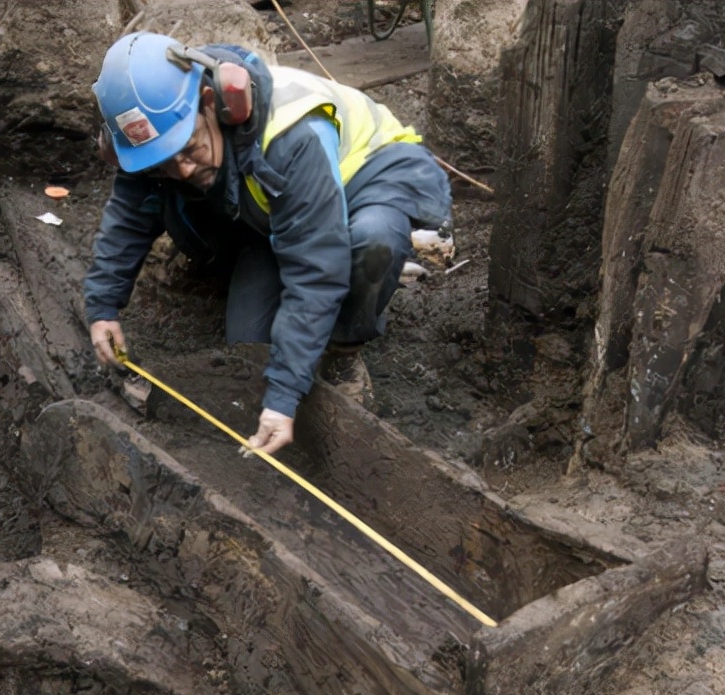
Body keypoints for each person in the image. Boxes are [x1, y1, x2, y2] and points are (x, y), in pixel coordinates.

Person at [84, 31, 451, 456]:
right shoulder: (155, 137)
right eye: (164, 162)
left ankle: (346, 348)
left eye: (189, 149)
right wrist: (103, 307)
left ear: (212, 102)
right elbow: (130, 214)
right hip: (280, 212)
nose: (181, 170)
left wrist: (282, 398)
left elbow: (316, 268)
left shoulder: (291, 135)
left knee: (372, 244)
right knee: (250, 349)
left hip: (367, 180)